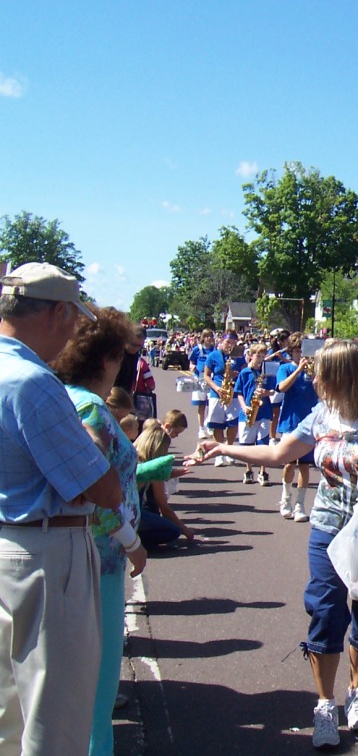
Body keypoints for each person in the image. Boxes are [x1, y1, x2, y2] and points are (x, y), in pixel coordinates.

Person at [197, 340, 358, 747]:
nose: (314, 380)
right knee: (326, 612)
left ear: (341, 376)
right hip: (328, 529)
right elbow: (279, 454)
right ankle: (325, 706)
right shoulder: (321, 415)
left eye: (321, 373)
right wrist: (224, 447)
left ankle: (356, 694)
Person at [0, 262, 126, 756]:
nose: (74, 333)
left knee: (8, 715)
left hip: (10, 539)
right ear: (56, 312)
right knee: (55, 718)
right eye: (73, 319)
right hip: (47, 551)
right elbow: (104, 488)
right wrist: (92, 443)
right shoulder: (33, 381)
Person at [50, 304, 149, 756]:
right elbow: (93, 490)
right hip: (99, 558)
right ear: (107, 358)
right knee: (99, 682)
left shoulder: (65, 397)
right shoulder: (90, 406)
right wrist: (132, 543)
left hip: (82, 556)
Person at [276, 333, 318, 522]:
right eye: (299, 351)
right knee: (289, 464)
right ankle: (286, 499)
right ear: (292, 351)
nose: (302, 355)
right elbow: (282, 388)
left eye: (304, 351)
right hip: (290, 422)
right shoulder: (285, 368)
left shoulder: (313, 371)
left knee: (305, 466)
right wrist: (298, 370)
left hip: (309, 422)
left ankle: (300, 505)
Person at [134, 421, 195, 548]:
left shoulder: (130, 457)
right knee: (172, 531)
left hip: (118, 512)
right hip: (133, 514)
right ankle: (136, 542)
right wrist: (185, 530)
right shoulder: (153, 469)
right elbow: (164, 507)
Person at [235, 343, 276, 486]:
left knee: (263, 443)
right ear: (251, 356)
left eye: (262, 356)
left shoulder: (267, 372)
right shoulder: (245, 372)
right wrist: (244, 406)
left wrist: (267, 392)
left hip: (264, 411)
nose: (260, 359)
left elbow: (273, 390)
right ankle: (248, 470)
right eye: (258, 356)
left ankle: (263, 472)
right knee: (247, 444)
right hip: (248, 411)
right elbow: (239, 392)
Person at [204, 331, 244, 466]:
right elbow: (206, 376)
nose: (230, 345)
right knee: (217, 424)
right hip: (217, 393)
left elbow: (245, 372)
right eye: (227, 342)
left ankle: (229, 448)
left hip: (233, 392)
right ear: (221, 342)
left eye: (233, 343)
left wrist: (237, 373)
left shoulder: (239, 356)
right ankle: (219, 453)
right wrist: (216, 388)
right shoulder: (213, 355)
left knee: (233, 423)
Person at [188, 328, 215, 438]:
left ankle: (209, 424)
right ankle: (201, 429)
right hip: (199, 378)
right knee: (201, 405)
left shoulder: (215, 350)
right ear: (203, 337)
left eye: (210, 336)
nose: (209, 338)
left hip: (211, 378)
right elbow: (191, 362)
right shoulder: (197, 349)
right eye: (207, 336)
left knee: (212, 404)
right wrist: (192, 366)